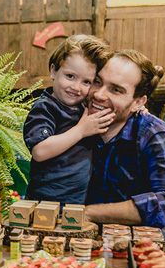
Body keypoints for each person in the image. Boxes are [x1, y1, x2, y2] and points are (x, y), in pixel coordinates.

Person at [86, 49, 165, 241]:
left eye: (116, 90)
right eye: (97, 82)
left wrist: (90, 212)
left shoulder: (153, 133)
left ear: (138, 102)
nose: (99, 95)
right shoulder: (70, 120)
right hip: (73, 227)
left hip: (132, 233)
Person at [23, 35, 114, 204]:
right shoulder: (45, 108)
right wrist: (81, 130)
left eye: (86, 81)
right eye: (70, 76)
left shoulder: (84, 107)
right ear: (53, 70)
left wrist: (138, 109)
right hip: (45, 203)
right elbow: (39, 151)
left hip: (78, 202)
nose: (76, 87)